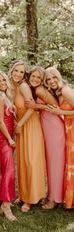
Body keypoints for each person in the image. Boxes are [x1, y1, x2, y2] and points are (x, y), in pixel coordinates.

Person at [25, 66, 65, 209]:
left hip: (54, 128)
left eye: (39, 78)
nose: (35, 79)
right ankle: (51, 195)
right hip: (47, 127)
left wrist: (36, 105)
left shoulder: (40, 90)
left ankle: (55, 199)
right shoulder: (35, 90)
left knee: (55, 164)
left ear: (42, 81)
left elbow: (54, 105)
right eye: (33, 76)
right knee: (50, 163)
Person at [10, 60, 46, 212]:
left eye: (21, 72)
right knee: (22, 161)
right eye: (16, 71)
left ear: (25, 75)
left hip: (30, 125)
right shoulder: (12, 88)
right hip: (20, 126)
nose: (18, 74)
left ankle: (31, 199)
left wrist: (19, 124)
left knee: (31, 161)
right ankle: (23, 195)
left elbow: (31, 108)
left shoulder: (24, 86)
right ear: (11, 71)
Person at [44, 67, 74, 209]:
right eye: (48, 79)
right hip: (69, 128)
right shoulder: (57, 92)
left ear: (59, 77)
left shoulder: (65, 90)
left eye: (54, 77)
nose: (52, 81)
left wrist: (59, 111)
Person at [0, 71, 16, 220]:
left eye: (3, 80)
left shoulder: (6, 96)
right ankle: (6, 205)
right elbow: (0, 121)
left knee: (6, 169)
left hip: (8, 135)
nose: (1, 83)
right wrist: (9, 139)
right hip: (2, 137)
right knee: (9, 169)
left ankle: (4, 200)